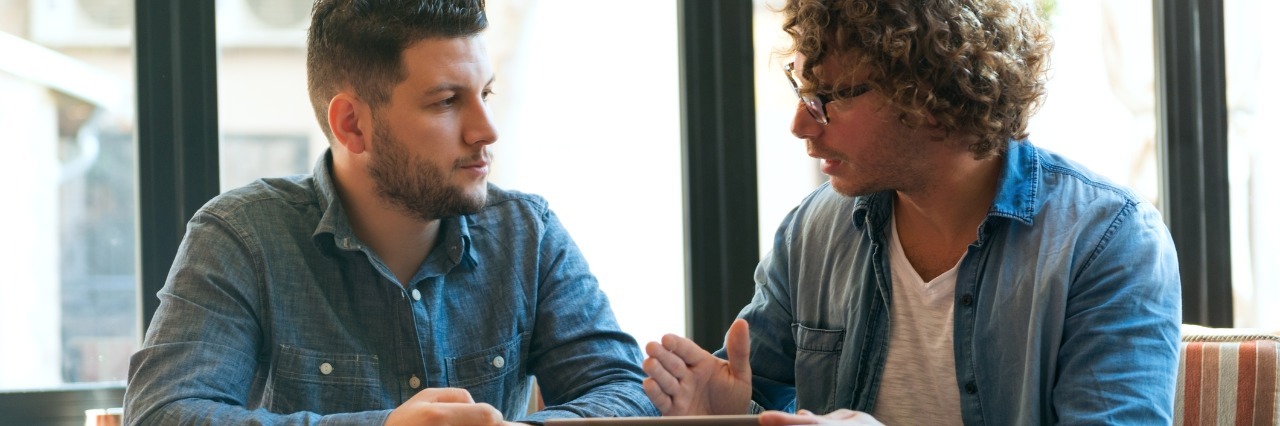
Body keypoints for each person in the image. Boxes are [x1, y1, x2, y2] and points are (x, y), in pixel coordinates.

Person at [641, 0, 1182, 425]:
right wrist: (734, 416)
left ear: (928, 91)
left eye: (830, 97)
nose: (802, 126)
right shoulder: (813, 231)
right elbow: (760, 395)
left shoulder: (1109, 242)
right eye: (804, 93)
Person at [122, 0, 657, 424]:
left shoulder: (528, 233)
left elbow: (623, 392)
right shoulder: (241, 237)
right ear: (352, 124)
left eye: (485, 93)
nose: (486, 130)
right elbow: (163, 415)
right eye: (447, 101)